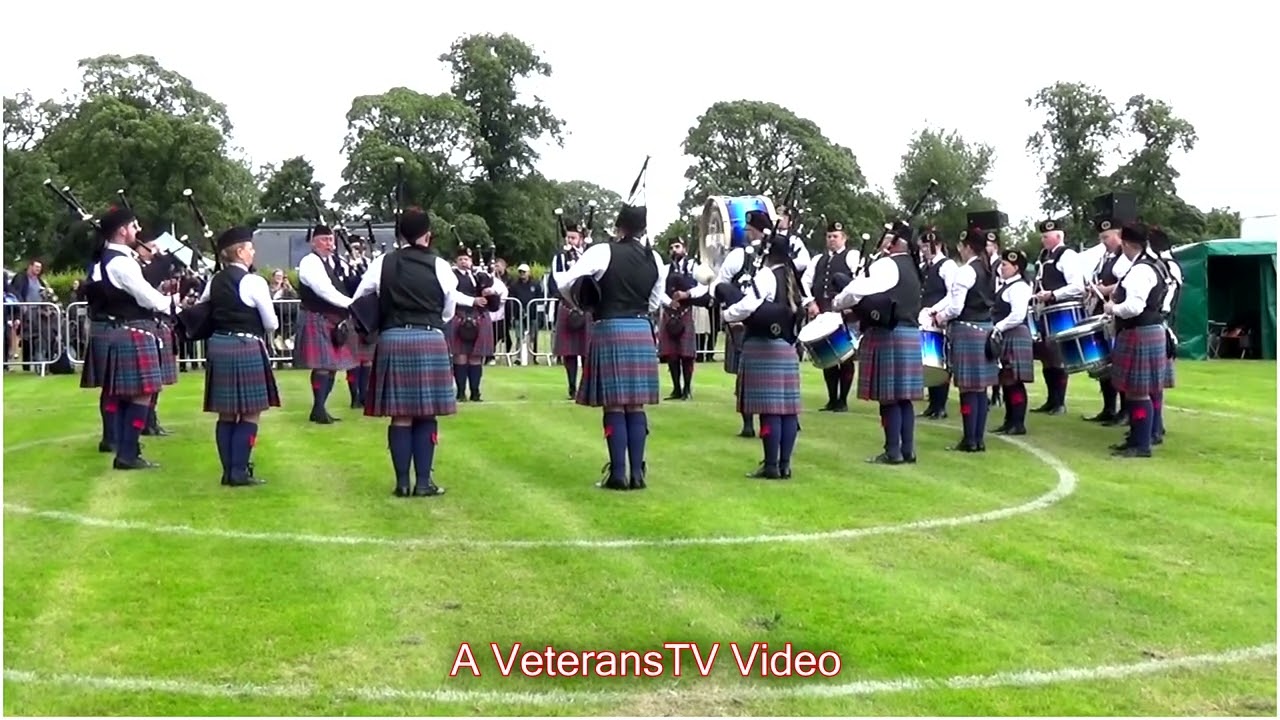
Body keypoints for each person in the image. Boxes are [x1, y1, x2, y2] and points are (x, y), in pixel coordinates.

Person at [552, 202, 666, 490]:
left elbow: (567, 282)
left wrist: (581, 302)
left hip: (610, 326)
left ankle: (617, 473)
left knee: (614, 404)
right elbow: (655, 302)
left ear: (619, 226)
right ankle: (637, 474)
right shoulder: (656, 259)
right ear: (643, 228)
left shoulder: (602, 251)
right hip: (641, 328)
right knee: (635, 405)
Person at [354, 209, 458, 497]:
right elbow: (449, 304)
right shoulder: (439, 265)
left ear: (400, 235)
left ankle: (402, 483)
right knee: (426, 414)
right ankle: (423, 483)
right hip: (429, 338)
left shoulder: (381, 263)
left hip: (393, 338)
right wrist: (437, 320)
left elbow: (360, 296)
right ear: (427, 234)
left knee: (400, 415)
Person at [80, 206, 172, 469]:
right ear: (122, 230)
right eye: (133, 226)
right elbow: (145, 294)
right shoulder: (120, 261)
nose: (138, 230)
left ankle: (125, 450)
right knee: (142, 394)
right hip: (134, 329)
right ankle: (128, 453)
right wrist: (171, 305)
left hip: (125, 329)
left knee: (125, 395)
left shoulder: (115, 256)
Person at [832, 221, 923, 464]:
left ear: (895, 243)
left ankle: (892, 451)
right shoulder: (913, 265)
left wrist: (838, 301)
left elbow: (859, 290)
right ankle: (908, 450)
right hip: (910, 333)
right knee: (904, 398)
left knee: (889, 398)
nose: (883, 241)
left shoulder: (888, 264)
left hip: (889, 334)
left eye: (887, 238)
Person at [197, 227, 280, 487]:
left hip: (219, 345)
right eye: (251, 247)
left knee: (226, 413)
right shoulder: (254, 282)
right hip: (246, 346)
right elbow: (271, 323)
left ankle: (228, 471)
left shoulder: (214, 281)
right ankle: (239, 471)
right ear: (241, 252)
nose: (253, 251)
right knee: (250, 413)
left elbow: (203, 307)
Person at [724, 224, 803, 478]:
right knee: (787, 410)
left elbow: (748, 305)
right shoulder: (794, 279)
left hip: (763, 347)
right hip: (787, 347)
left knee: (770, 410)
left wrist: (728, 314)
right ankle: (785, 464)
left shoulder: (766, 275)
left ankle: (771, 465)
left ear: (768, 253)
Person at [930, 213, 1000, 452]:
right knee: (980, 389)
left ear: (967, 247)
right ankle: (977, 439)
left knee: (968, 388)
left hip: (967, 331)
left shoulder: (966, 271)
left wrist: (941, 316)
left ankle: (970, 439)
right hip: (985, 329)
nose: (959, 250)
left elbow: (956, 306)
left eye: (961, 246)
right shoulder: (988, 269)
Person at [1104, 222, 1170, 458]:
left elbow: (1134, 306)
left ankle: (1141, 444)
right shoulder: (1151, 264)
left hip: (1140, 333)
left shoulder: (1141, 270)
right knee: (1138, 391)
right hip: (1147, 332)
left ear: (1126, 243)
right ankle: (1137, 437)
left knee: (1138, 392)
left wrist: (1113, 308)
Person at [293, 225, 356, 424]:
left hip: (333, 319)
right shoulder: (310, 262)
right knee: (323, 365)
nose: (329, 243)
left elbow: (347, 286)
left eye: (331, 239)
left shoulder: (334, 262)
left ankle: (320, 408)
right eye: (324, 239)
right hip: (316, 316)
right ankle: (318, 409)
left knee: (332, 366)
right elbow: (323, 290)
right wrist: (352, 304)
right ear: (313, 242)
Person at [799, 220, 859, 411]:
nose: (832, 240)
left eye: (836, 236)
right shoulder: (817, 260)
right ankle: (832, 399)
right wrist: (809, 302)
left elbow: (860, 283)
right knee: (828, 358)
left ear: (844, 238)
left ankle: (843, 400)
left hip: (844, 315)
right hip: (823, 314)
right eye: (829, 236)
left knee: (845, 357)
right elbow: (804, 282)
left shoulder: (853, 256)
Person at [1030, 219, 1085, 414]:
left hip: (1061, 310)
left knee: (1059, 356)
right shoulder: (1044, 256)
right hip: (1045, 311)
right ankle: (1051, 399)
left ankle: (1060, 402)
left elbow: (1077, 285)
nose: (1043, 240)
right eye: (1043, 236)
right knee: (1047, 357)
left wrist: (1054, 294)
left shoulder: (1067, 255)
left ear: (1059, 236)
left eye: (1046, 237)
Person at [1082, 216, 1132, 425]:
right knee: (1104, 365)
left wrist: (1104, 290)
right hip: (1104, 315)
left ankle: (1125, 411)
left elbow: (1128, 281)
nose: (1104, 241)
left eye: (1106, 237)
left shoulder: (1126, 257)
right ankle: (1109, 408)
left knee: (1117, 365)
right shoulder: (1107, 256)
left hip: (1118, 316)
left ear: (1118, 235)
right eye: (1102, 237)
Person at [136, 235, 179, 437]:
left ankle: (151, 419)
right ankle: (144, 421)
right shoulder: (137, 268)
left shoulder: (153, 270)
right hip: (148, 323)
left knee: (157, 378)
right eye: (151, 245)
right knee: (148, 381)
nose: (155, 249)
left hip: (160, 323)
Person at [448, 250, 505, 401]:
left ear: (471, 261)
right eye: (460, 259)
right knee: (460, 356)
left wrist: (491, 291)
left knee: (475, 357)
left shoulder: (480, 276)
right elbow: (450, 295)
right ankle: (460, 392)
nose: (463, 262)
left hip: (479, 317)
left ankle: (475, 392)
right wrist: (473, 300)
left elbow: (498, 295)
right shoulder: (451, 276)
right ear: (456, 262)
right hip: (459, 317)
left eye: (466, 259)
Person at [991, 249, 1035, 435]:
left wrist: (998, 327)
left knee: (1014, 381)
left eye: (1005, 265)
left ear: (1016, 267)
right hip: (1008, 335)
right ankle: (1010, 420)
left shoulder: (1019, 287)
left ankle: (1018, 423)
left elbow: (1017, 315)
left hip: (1015, 334)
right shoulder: (1007, 285)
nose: (1001, 267)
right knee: (1007, 380)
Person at [917, 227, 958, 419]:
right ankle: (933, 404)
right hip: (925, 320)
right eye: (922, 246)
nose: (924, 250)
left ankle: (940, 405)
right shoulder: (924, 266)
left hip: (938, 319)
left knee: (940, 362)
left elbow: (952, 294)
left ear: (938, 245)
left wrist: (935, 310)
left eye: (927, 246)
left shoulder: (947, 265)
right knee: (929, 362)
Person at [548, 222, 593, 398]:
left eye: (574, 237)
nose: (570, 240)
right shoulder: (559, 258)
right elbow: (558, 280)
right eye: (568, 237)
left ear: (581, 239)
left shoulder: (589, 255)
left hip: (585, 306)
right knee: (569, 352)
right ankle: (572, 386)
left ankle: (586, 385)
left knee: (587, 350)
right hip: (567, 305)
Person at [658, 239, 698, 399]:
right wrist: (670, 302)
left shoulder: (694, 267)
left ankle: (687, 389)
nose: (674, 250)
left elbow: (703, 286)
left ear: (685, 249)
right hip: (670, 311)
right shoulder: (665, 269)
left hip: (685, 310)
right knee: (672, 354)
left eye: (677, 247)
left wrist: (687, 294)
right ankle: (676, 389)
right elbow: (658, 289)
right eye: (672, 247)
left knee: (686, 354)